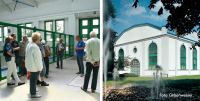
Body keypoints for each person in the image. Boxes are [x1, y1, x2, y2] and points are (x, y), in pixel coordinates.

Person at [25, 32, 43, 98]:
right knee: (33, 81)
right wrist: (40, 68)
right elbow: (37, 60)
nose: (40, 39)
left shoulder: (29, 45)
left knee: (32, 80)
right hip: (35, 68)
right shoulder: (35, 47)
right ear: (37, 38)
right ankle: (33, 93)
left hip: (30, 66)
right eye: (40, 38)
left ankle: (33, 91)